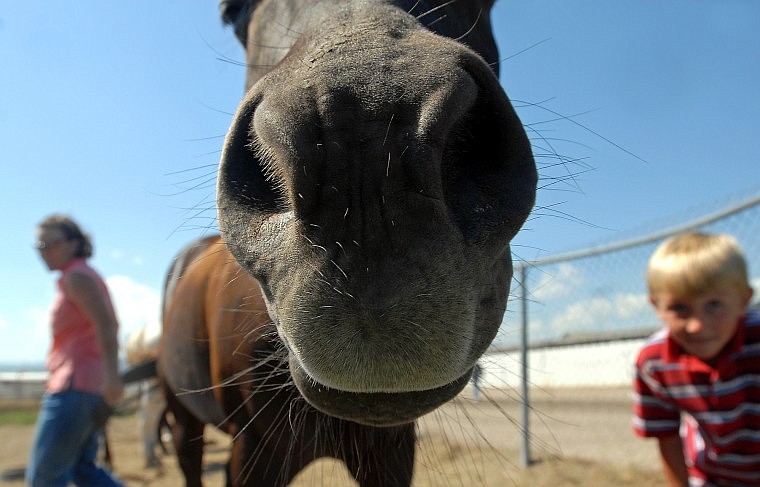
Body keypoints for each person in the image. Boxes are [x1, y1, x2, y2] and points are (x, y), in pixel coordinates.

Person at [633, 232, 758, 487]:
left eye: (713, 304)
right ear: (656, 306)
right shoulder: (654, 363)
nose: (697, 326)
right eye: (680, 307)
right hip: (710, 476)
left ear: (744, 300)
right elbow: (667, 437)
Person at [26, 214, 124, 487]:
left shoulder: (77, 277)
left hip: (74, 386)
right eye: (40, 246)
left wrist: (114, 378)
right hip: (85, 385)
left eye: (51, 244)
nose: (44, 252)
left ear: (73, 243)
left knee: (44, 477)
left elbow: (107, 325)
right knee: (84, 470)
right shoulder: (79, 275)